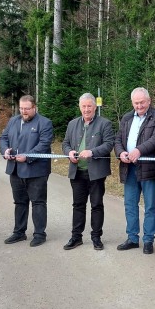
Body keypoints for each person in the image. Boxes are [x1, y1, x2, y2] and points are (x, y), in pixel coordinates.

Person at [114, 87, 155, 254]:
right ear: (132, 103)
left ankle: (148, 240)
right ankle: (132, 238)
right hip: (129, 167)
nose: (139, 106)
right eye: (136, 103)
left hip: (148, 169)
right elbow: (118, 139)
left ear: (149, 101)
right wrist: (120, 152)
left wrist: (139, 150)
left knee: (150, 206)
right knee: (130, 204)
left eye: (142, 102)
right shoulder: (127, 117)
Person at [0, 95, 54, 247]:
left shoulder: (45, 123)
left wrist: (27, 156)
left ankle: (39, 234)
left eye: (27, 109)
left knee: (38, 202)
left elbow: (44, 144)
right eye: (21, 108)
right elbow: (3, 138)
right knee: (20, 202)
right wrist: (5, 150)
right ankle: (19, 232)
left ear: (34, 107)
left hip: (36, 171)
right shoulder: (13, 121)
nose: (24, 111)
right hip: (15, 169)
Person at [62, 93, 115, 250]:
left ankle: (96, 237)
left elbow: (109, 144)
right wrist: (69, 152)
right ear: (80, 107)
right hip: (77, 172)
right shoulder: (72, 124)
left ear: (95, 107)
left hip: (96, 173)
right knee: (78, 205)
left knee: (96, 205)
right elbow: (65, 143)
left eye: (89, 106)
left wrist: (92, 152)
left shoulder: (104, 124)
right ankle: (76, 237)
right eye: (83, 106)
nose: (86, 109)